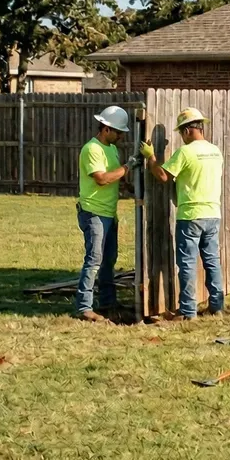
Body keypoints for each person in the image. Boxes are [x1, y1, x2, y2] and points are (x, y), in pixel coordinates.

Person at [141, 107, 225, 319]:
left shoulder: (185, 152)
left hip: (190, 215)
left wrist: (151, 157)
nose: (182, 137)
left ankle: (188, 311)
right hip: (213, 213)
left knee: (187, 263)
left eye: (181, 132)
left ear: (188, 131)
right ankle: (217, 306)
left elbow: (162, 175)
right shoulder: (216, 151)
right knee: (212, 261)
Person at [75, 106, 137, 322]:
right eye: (119, 132)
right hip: (93, 213)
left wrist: (130, 186)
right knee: (94, 259)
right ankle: (84, 307)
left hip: (109, 213)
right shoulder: (92, 149)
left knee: (108, 260)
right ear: (106, 128)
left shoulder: (112, 150)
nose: (121, 136)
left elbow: (115, 177)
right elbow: (102, 179)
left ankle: (108, 303)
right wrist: (128, 167)